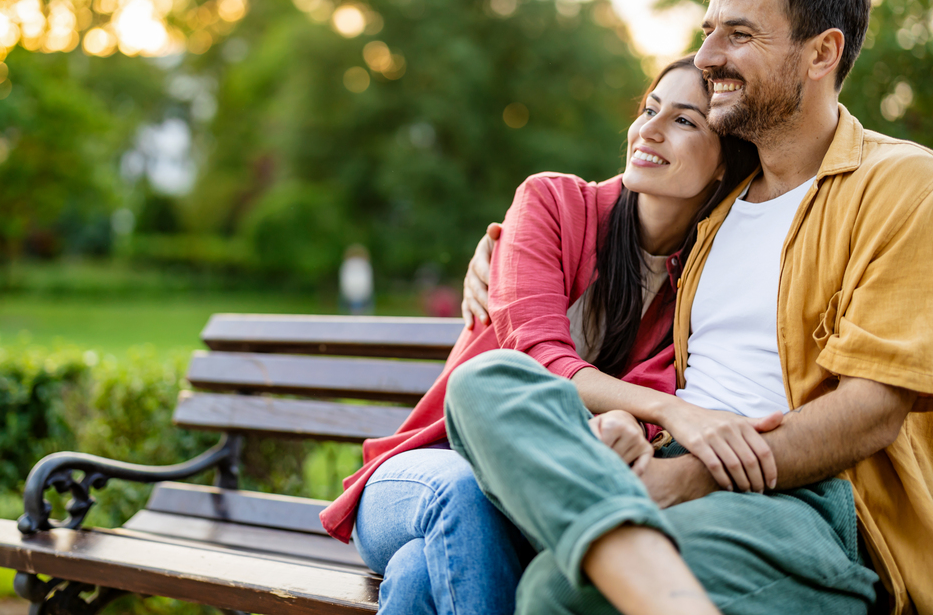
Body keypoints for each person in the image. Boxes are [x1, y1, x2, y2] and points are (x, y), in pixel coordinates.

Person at [450, 0, 933, 615]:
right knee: (485, 382)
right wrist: (499, 242)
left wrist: (680, 479)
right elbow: (613, 208)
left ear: (821, 52)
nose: (707, 56)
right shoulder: (717, 202)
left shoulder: (906, 184)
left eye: (739, 34)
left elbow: (870, 412)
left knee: (556, 589)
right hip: (665, 457)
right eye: (708, 32)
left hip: (811, 501)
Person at [320, 55, 764, 614]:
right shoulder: (553, 203)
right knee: (463, 496)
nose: (648, 129)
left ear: (725, 164)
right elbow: (532, 352)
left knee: (419, 576)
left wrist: (629, 421)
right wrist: (665, 412)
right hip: (423, 476)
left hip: (531, 501)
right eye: (649, 108)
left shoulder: (707, 284)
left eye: (683, 121)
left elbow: (641, 418)